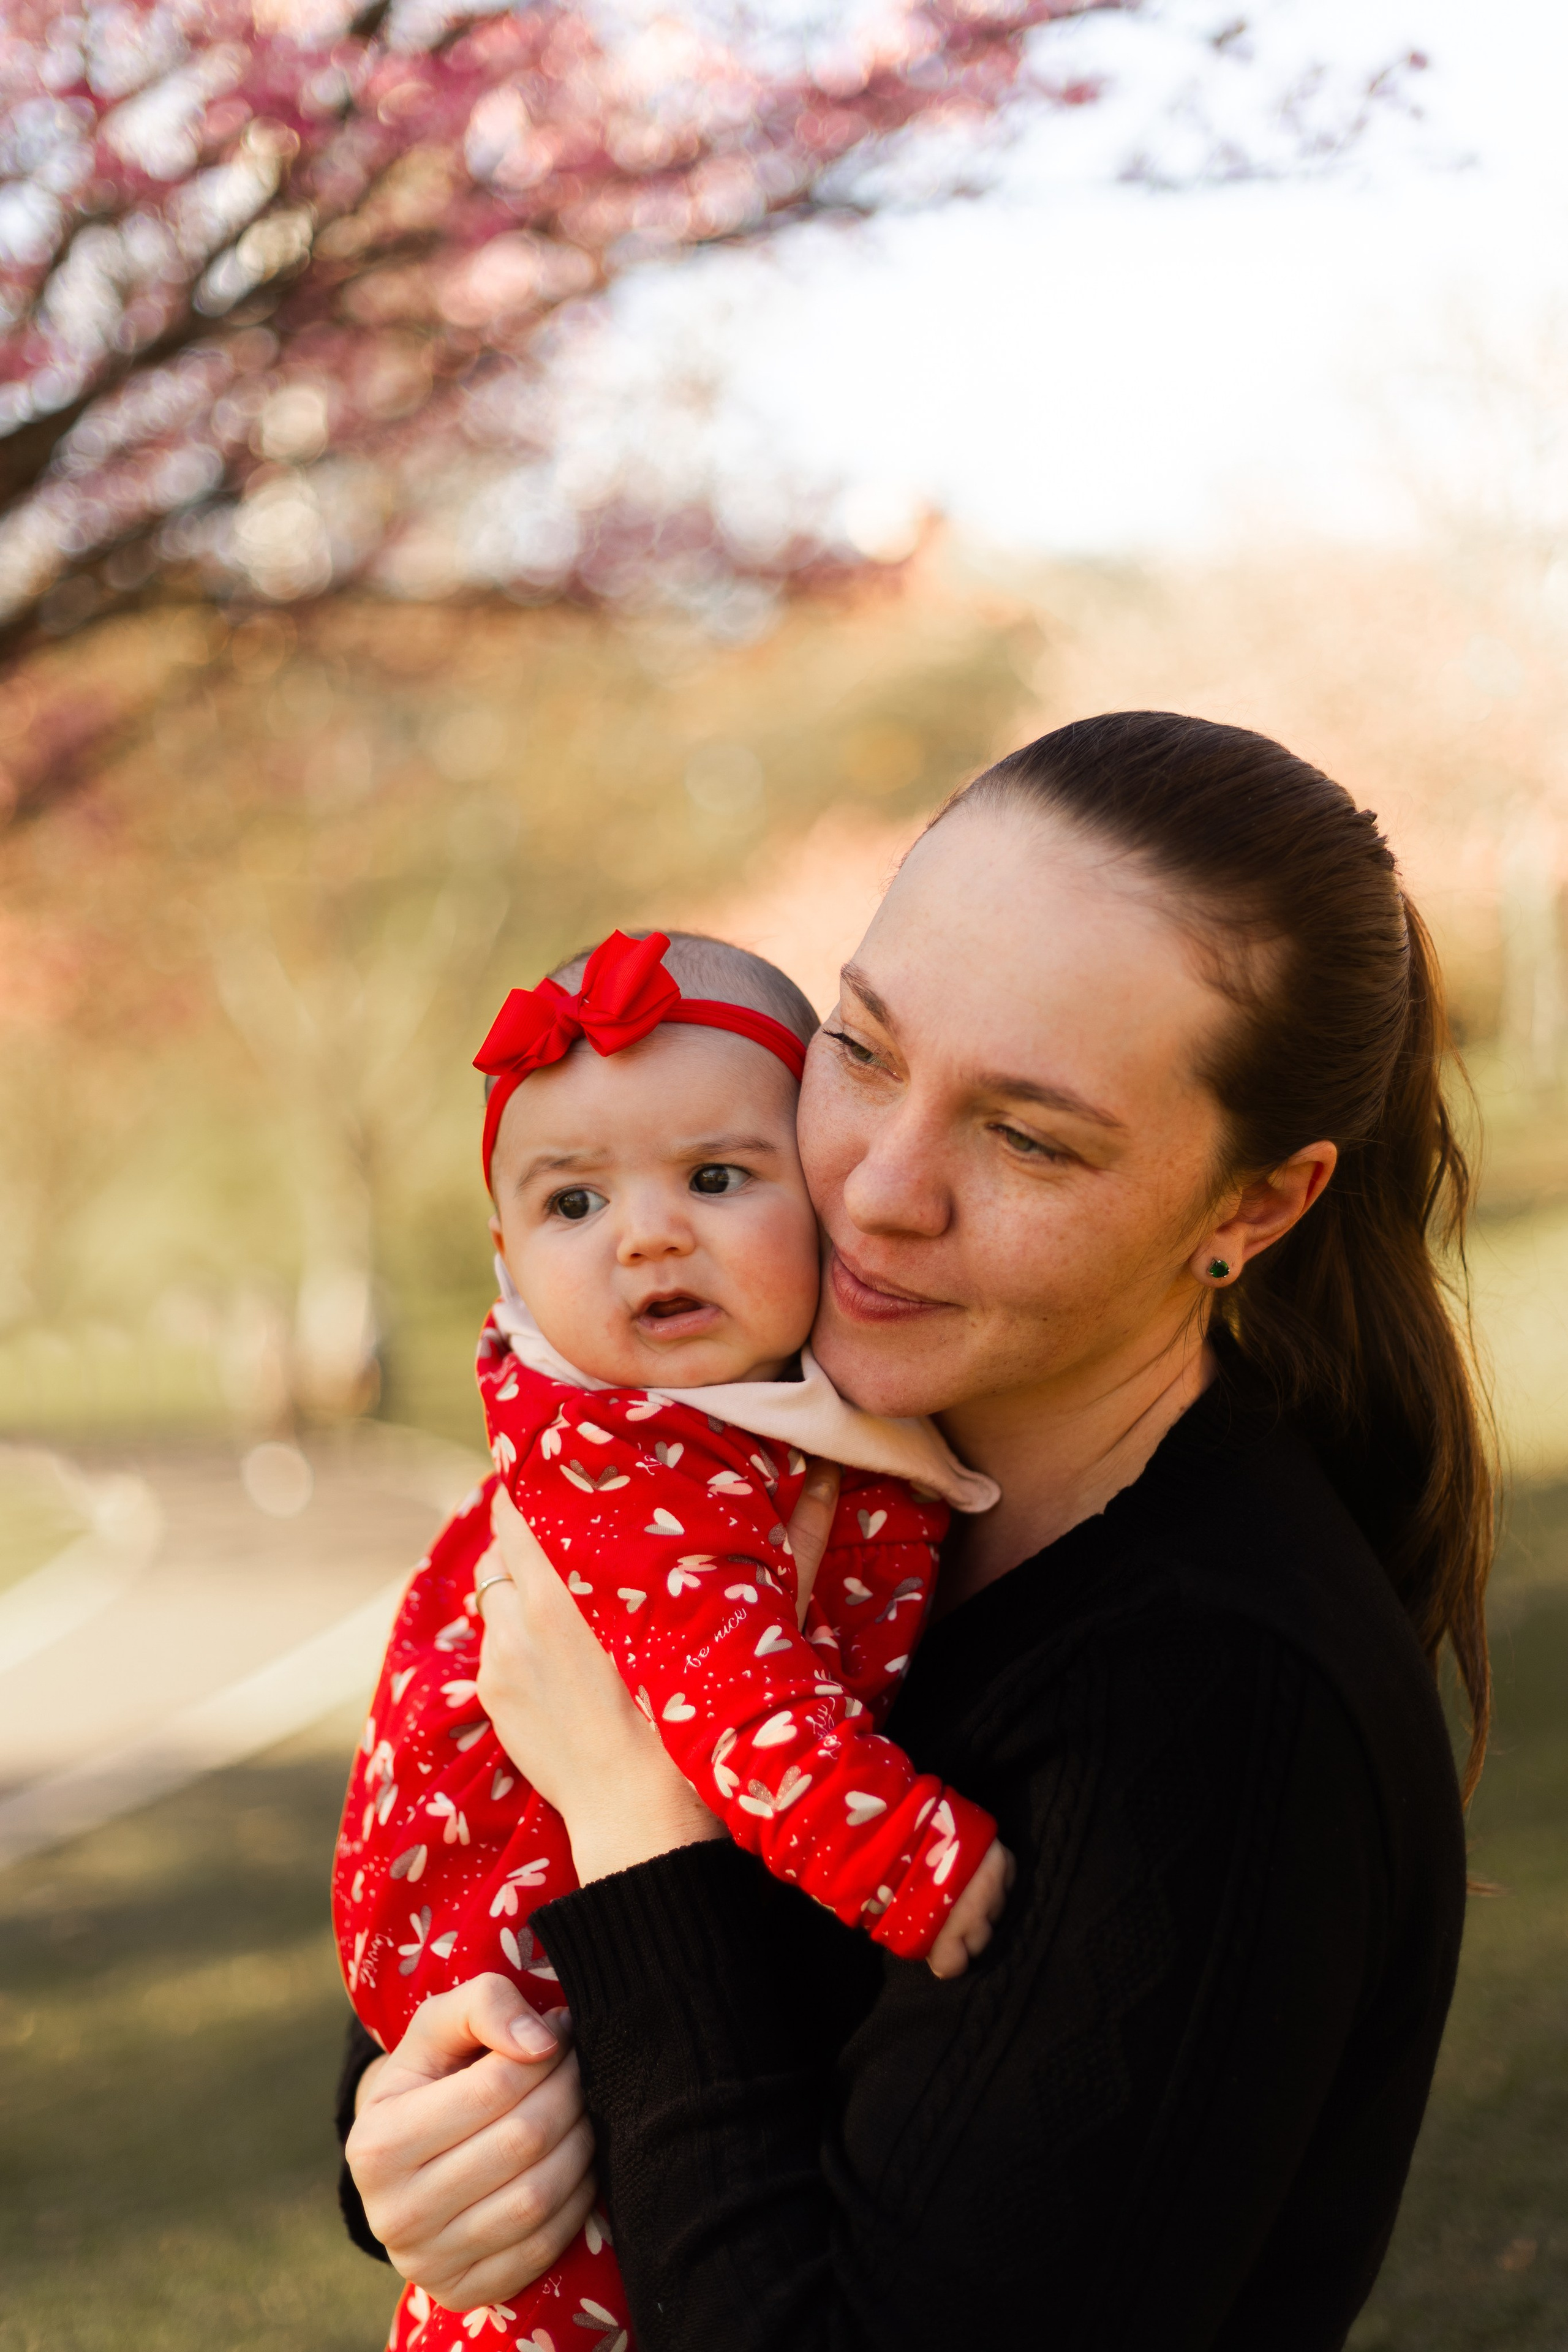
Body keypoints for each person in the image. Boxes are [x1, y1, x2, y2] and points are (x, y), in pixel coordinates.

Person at [340, 712, 1491, 2352]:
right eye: (865, 1050)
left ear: (1252, 1206)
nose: (880, 1185)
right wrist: (419, 2138)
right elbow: (473, 1907)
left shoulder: (1218, 1711)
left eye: (1027, 1137)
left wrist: (635, 1812)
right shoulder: (771, 1457)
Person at [334, 927, 1009, 2351]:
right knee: (577, 2281)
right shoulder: (631, 1463)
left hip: (603, 1958)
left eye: (714, 1180)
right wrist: (910, 1861)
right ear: (507, 1256)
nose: (645, 1235)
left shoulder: (747, 1423)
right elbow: (734, 1704)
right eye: (572, 1203)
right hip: (543, 1968)